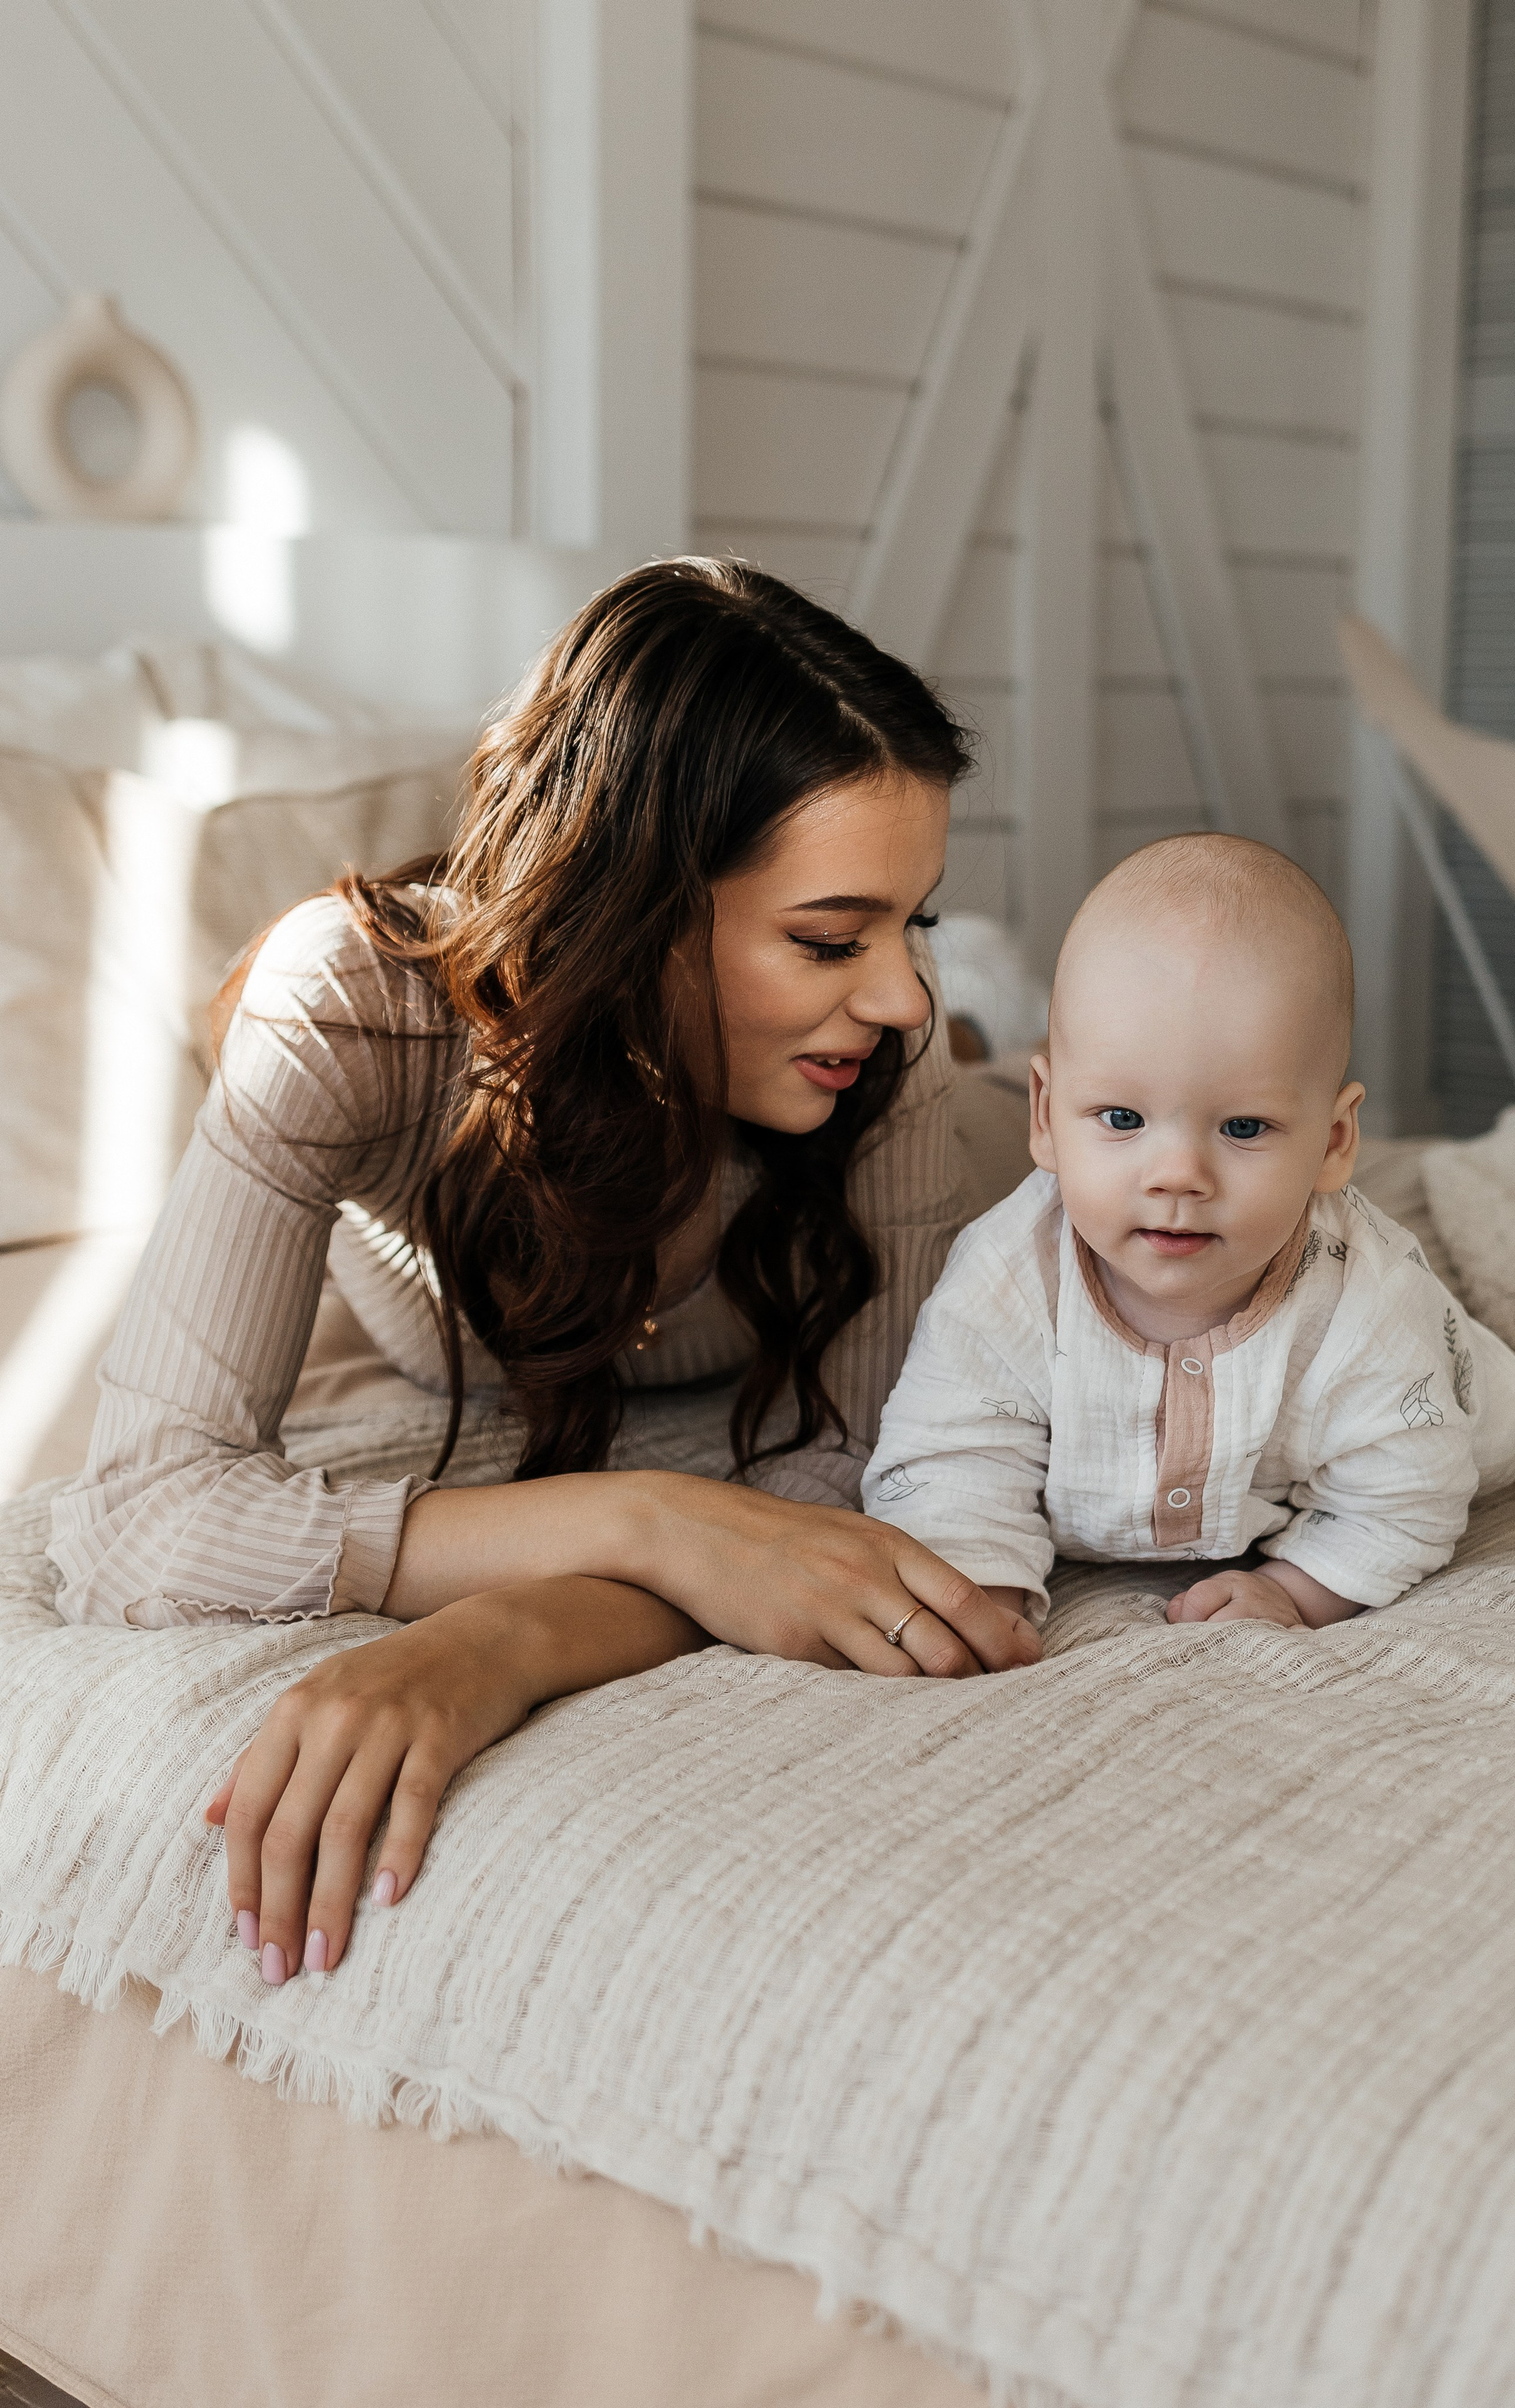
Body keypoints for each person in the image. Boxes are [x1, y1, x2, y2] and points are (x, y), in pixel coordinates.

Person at [49, 559, 1041, 1984]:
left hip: (979, 1129)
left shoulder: (884, 1042)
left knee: (1038, 1108)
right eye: (829, 936)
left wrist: (507, 1635)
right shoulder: (345, 1011)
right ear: (633, 911)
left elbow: (850, 1481)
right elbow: (141, 1519)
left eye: (911, 923)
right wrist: (649, 1515)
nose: (888, 989)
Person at [865, 832, 1515, 1628]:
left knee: (1470, 1431)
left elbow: (1408, 1492)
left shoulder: (1369, 1305)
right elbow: (948, 1452)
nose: (1177, 1174)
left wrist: (1297, 1589)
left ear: (1333, 1143)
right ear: (1046, 1116)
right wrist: (979, 1581)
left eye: (1244, 1128)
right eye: (1122, 1118)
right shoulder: (1004, 1275)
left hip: (1424, 1429)